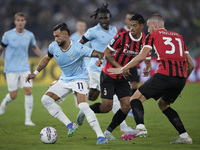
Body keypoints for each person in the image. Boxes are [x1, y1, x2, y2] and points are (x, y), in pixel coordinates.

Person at [108, 14, 194, 144]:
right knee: (163, 104)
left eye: (148, 26)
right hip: (180, 78)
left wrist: (123, 68)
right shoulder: (179, 37)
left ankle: (140, 128)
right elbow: (191, 65)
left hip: (164, 75)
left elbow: (141, 56)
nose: (147, 30)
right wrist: (180, 83)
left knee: (135, 98)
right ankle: (184, 136)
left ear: (154, 24)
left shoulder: (152, 36)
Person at [26, 23, 108, 145]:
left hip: (80, 79)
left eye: (58, 36)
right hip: (64, 80)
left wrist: (101, 59)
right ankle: (70, 125)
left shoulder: (78, 48)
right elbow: (46, 58)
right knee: (46, 99)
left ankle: (101, 136)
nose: (56, 39)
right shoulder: (53, 46)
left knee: (83, 106)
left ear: (65, 35)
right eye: (54, 36)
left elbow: (98, 53)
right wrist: (35, 72)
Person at [78, 14, 151, 140]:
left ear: (141, 26)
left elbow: (147, 56)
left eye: (134, 26)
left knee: (127, 106)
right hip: (109, 75)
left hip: (123, 77)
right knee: (106, 108)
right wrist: (120, 68)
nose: (131, 28)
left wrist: (147, 67)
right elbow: (106, 53)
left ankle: (108, 132)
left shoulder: (145, 40)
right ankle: (86, 109)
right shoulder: (121, 37)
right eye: (130, 25)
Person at [78, 3, 134, 133]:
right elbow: (79, 45)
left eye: (106, 18)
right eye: (101, 18)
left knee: (114, 99)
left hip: (111, 69)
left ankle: (123, 127)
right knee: (93, 96)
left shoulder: (115, 30)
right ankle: (84, 108)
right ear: (98, 19)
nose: (104, 20)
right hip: (96, 69)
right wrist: (91, 54)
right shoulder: (92, 31)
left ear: (110, 17)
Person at [0, 12, 43, 126]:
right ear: (15, 22)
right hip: (11, 69)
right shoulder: (8, 35)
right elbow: (2, 48)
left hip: (24, 68)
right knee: (13, 95)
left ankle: (28, 119)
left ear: (25, 22)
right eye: (18, 20)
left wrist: (44, 58)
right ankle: (4, 102)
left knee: (28, 91)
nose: (20, 22)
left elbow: (34, 46)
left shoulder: (29, 35)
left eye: (22, 20)